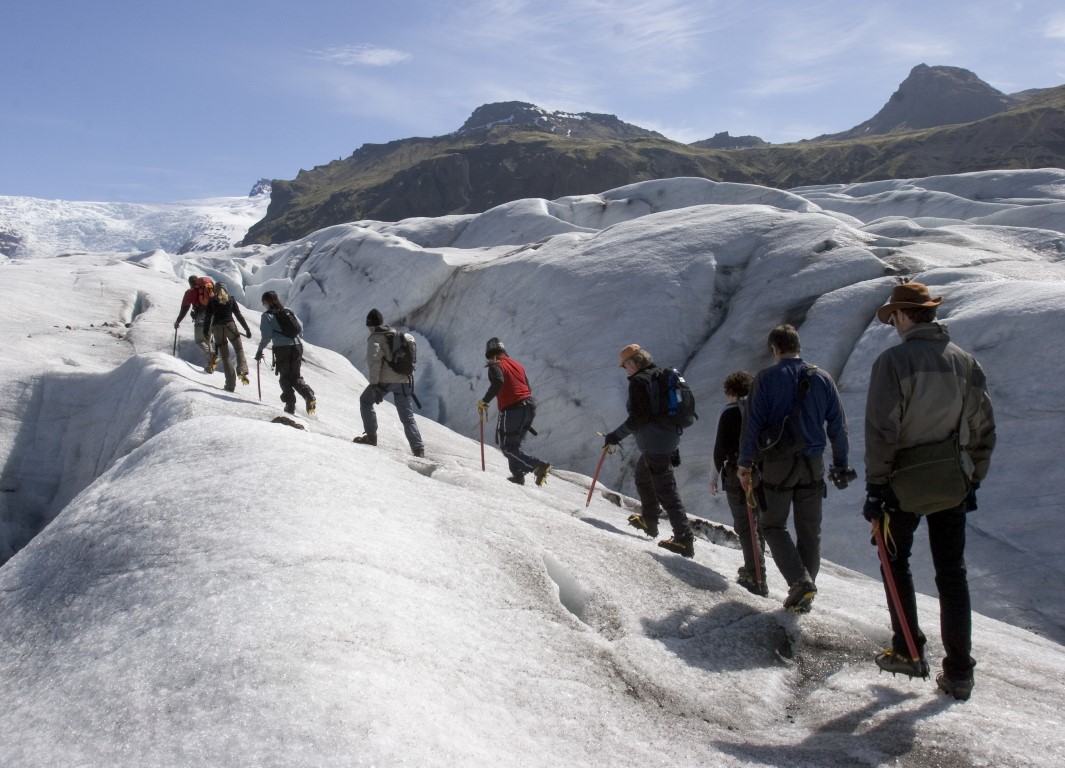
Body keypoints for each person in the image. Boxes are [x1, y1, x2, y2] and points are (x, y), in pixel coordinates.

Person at [863, 282, 996, 701]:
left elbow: (883, 429)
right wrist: (973, 477)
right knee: (952, 574)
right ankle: (959, 671)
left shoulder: (893, 362)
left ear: (903, 315)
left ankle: (908, 648)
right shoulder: (964, 363)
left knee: (895, 562)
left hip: (903, 482)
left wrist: (876, 484)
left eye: (894, 318)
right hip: (952, 481)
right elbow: (983, 427)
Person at [737, 324, 850, 612]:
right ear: (799, 346)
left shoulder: (766, 378)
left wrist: (744, 463)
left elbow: (752, 424)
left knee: (773, 524)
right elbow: (837, 425)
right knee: (810, 531)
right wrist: (840, 463)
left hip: (778, 463)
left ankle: (800, 582)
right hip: (813, 463)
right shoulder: (823, 378)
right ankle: (805, 594)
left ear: (774, 349)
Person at [605, 344, 695, 558]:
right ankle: (650, 521)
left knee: (666, 490)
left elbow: (638, 417)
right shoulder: (660, 375)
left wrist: (615, 436)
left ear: (633, 363)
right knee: (643, 477)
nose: (625, 370)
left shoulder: (639, 381)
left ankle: (684, 539)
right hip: (667, 439)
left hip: (655, 444)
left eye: (625, 365)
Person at [710, 370, 767, 596]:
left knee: (744, 526)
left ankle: (755, 575)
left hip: (736, 474)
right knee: (756, 525)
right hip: (761, 474)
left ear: (731, 391)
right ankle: (758, 570)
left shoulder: (730, 413)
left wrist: (714, 478)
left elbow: (719, 450)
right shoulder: (760, 410)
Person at [477, 337, 550, 486]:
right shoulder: (518, 365)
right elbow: (527, 387)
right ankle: (518, 476)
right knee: (514, 446)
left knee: (508, 448)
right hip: (529, 406)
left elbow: (498, 382)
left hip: (513, 409)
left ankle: (537, 466)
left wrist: (485, 401)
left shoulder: (495, 364)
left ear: (489, 354)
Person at [353, 309, 425, 457]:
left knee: (365, 401)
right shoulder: (395, 334)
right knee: (407, 416)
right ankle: (418, 449)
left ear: (371, 326)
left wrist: (374, 384)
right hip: (404, 380)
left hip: (385, 381)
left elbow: (374, 362)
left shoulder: (375, 339)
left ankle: (371, 437)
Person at [254, 291, 316, 415]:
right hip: (297, 346)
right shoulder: (288, 310)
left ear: (266, 302)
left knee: (285, 378)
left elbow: (266, 336)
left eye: (264, 302)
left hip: (282, 349)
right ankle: (308, 394)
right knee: (295, 376)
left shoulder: (267, 316)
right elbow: (300, 328)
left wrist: (260, 350)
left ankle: (290, 405)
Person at [203, 282, 252, 392]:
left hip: (217, 328)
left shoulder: (212, 300)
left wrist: (206, 331)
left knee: (225, 357)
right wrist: (247, 329)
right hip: (230, 326)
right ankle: (242, 370)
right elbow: (238, 315)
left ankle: (230, 385)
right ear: (226, 289)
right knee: (239, 349)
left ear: (215, 290)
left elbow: (207, 317)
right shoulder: (231, 299)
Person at [174, 275, 216, 372]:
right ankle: (210, 367)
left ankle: (212, 355)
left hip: (201, 316)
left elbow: (184, 308)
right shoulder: (208, 289)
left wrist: (178, 321)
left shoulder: (190, 292)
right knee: (207, 341)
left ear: (190, 283)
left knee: (199, 340)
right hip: (212, 315)